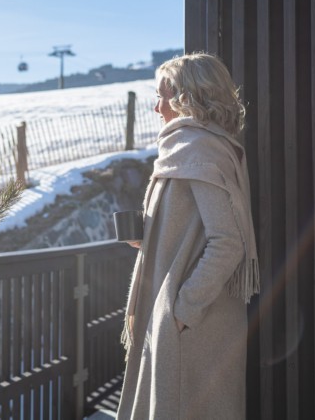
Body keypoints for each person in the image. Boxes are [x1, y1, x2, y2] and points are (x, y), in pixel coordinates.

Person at [117, 52, 259, 419]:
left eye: (163, 96)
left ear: (188, 98)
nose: (156, 106)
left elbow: (227, 242)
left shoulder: (196, 148)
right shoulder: (199, 146)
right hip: (190, 323)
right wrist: (152, 235)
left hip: (193, 328)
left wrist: (183, 311)